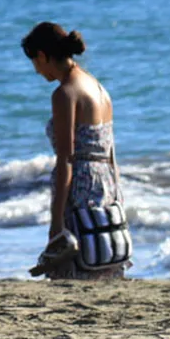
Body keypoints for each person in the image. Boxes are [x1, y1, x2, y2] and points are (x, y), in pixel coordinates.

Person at [22, 22, 130, 280]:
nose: (37, 71)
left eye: (35, 62)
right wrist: (117, 193)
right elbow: (110, 149)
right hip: (106, 181)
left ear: (43, 56)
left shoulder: (65, 93)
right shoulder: (97, 87)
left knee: (75, 264)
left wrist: (56, 223)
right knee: (102, 252)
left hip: (80, 184)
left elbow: (66, 159)